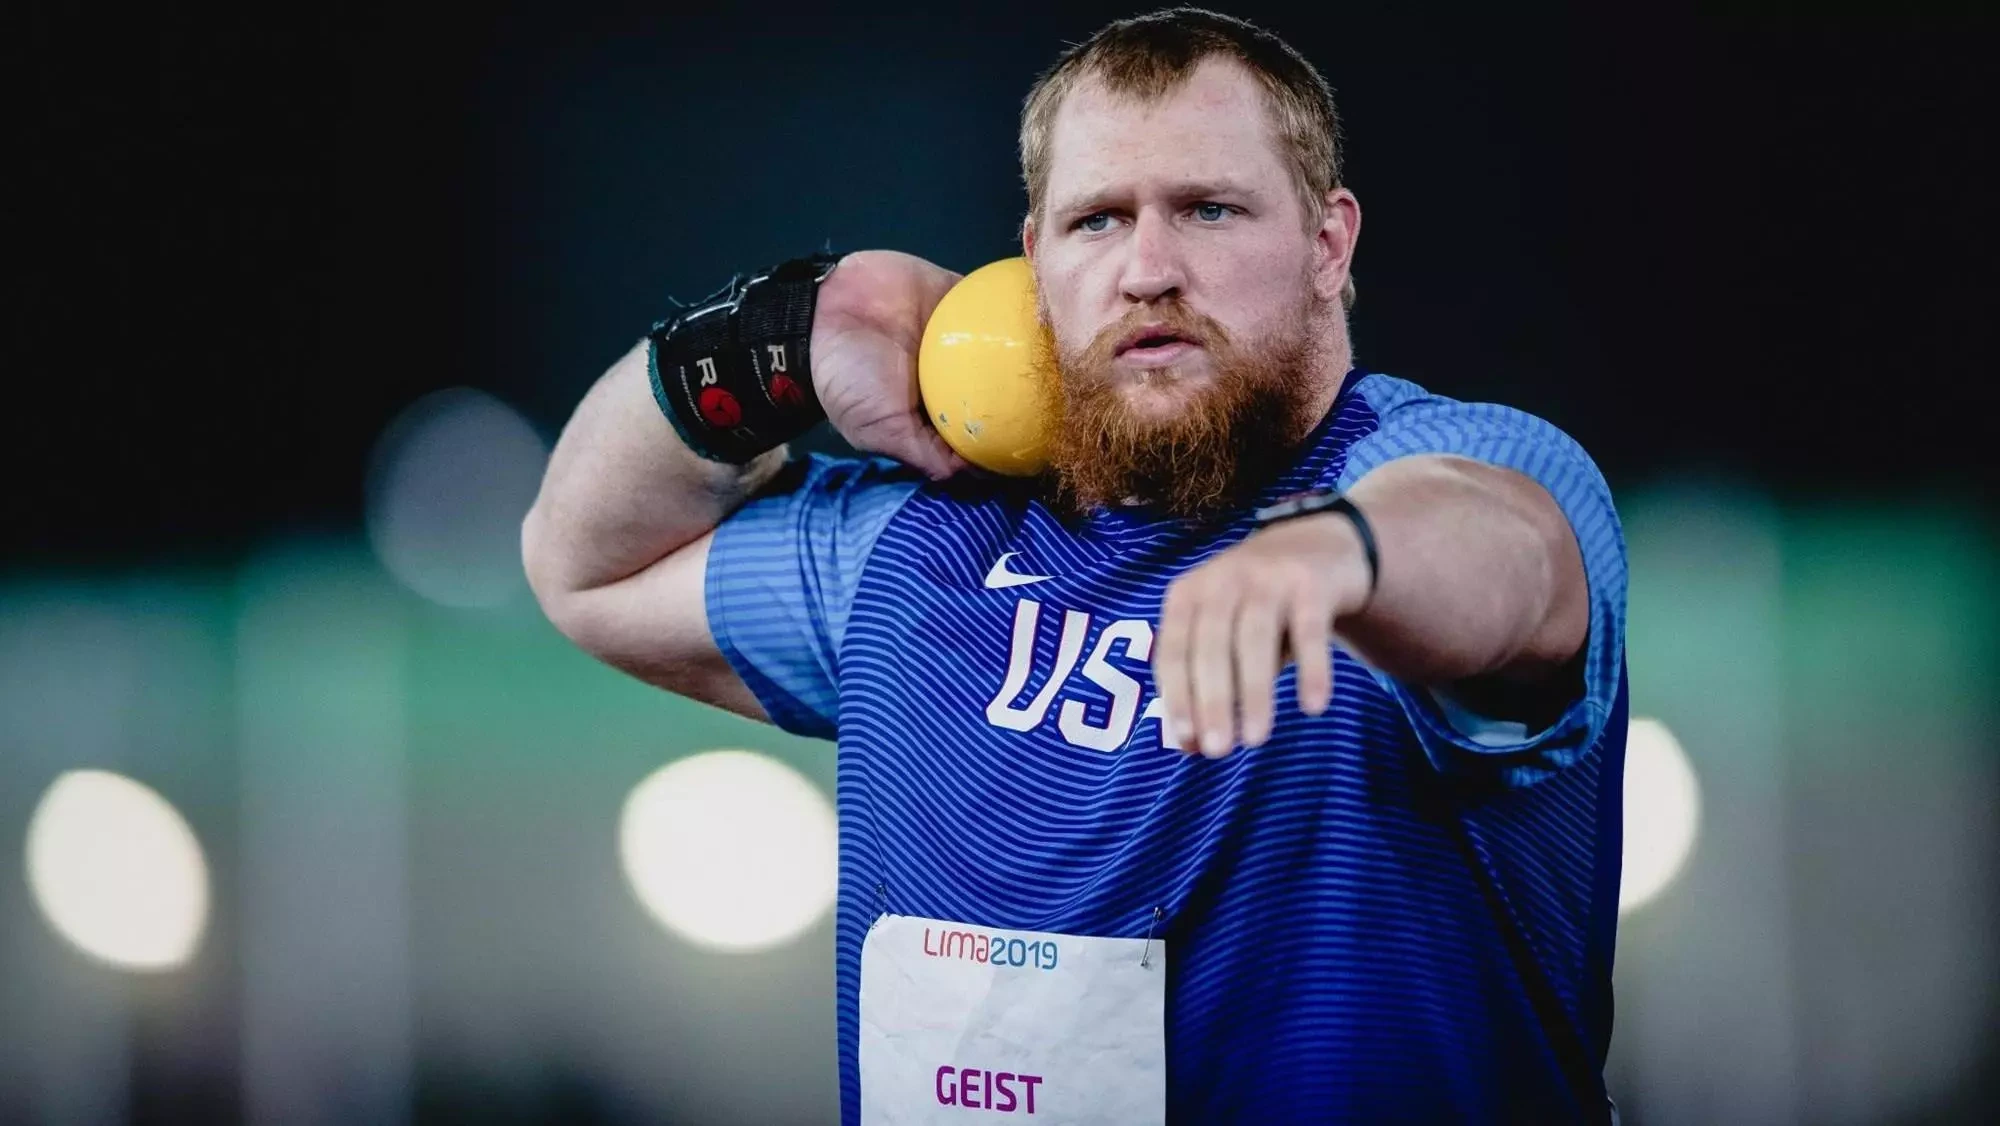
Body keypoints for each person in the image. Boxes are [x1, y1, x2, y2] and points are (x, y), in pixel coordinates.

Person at [523, 7, 1628, 1123]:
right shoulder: (915, 548)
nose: (1147, 268)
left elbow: (1507, 553)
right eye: (1096, 220)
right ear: (1030, 268)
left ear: (1327, 244)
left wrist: (1337, 553)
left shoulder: (1454, 466)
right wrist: (783, 336)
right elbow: (585, 569)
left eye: (1206, 208)